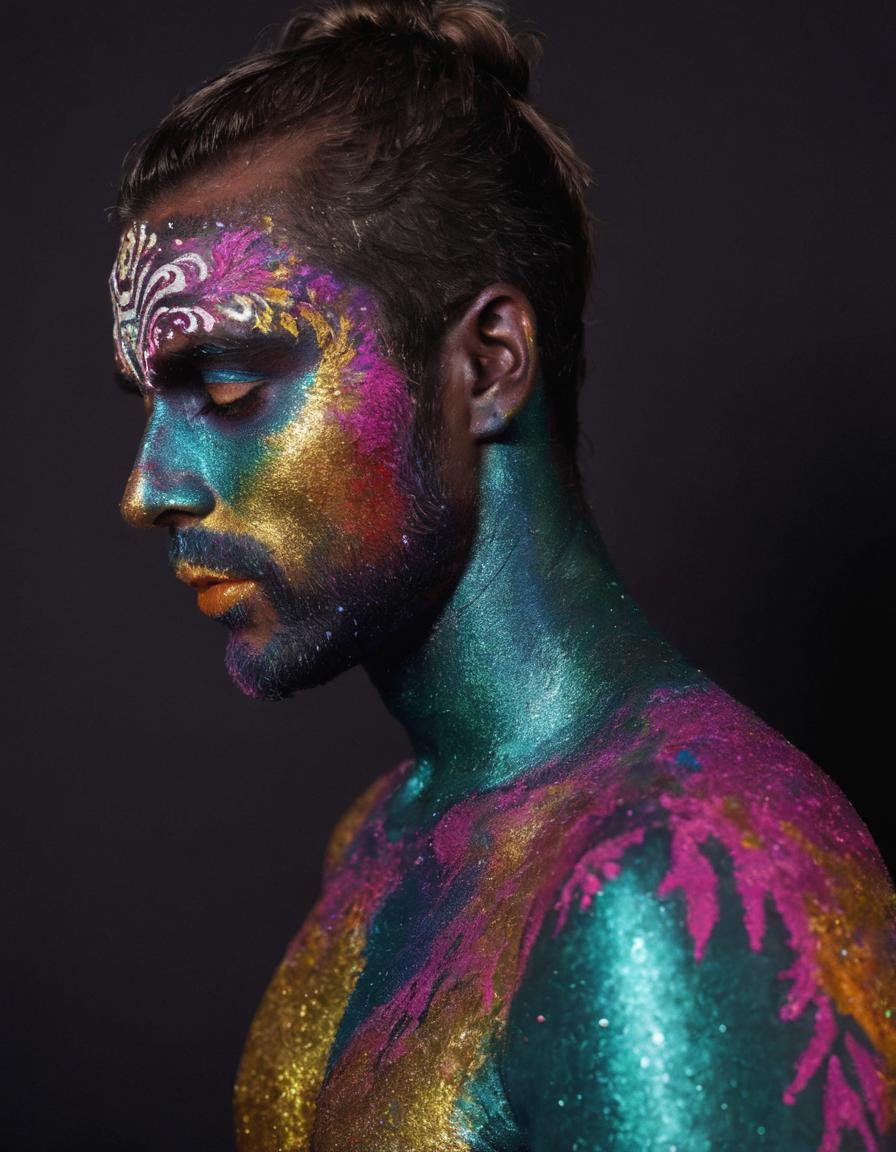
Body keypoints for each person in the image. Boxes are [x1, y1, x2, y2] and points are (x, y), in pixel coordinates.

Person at [110, 2, 895, 1148]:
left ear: (485, 366)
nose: (149, 487)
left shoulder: (676, 883)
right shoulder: (385, 833)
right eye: (150, 403)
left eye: (226, 389)